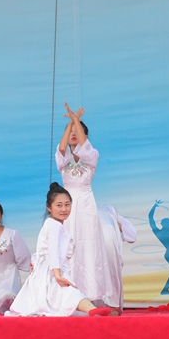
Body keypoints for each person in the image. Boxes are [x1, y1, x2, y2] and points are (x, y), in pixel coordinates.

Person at [7, 183, 112, 317]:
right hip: (52, 269)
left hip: (48, 268)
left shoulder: (52, 224)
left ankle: (92, 311)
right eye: (59, 205)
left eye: (67, 205)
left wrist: (36, 263)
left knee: (62, 296)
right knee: (68, 292)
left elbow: (42, 249)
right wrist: (57, 275)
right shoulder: (54, 225)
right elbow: (52, 251)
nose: (64, 209)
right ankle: (92, 310)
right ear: (49, 207)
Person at [55, 102, 114, 306]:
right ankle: (68, 294)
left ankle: (89, 294)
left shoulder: (91, 156)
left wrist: (76, 120)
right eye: (69, 132)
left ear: (84, 136)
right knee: (67, 246)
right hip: (67, 205)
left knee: (88, 246)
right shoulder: (63, 159)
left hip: (86, 205)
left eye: (77, 132)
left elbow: (84, 145)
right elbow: (61, 148)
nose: (73, 134)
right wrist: (71, 123)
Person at [98, 204, 137, 312]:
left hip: (108, 251)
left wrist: (115, 224)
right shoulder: (75, 212)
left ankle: (111, 307)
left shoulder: (109, 210)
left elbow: (132, 236)